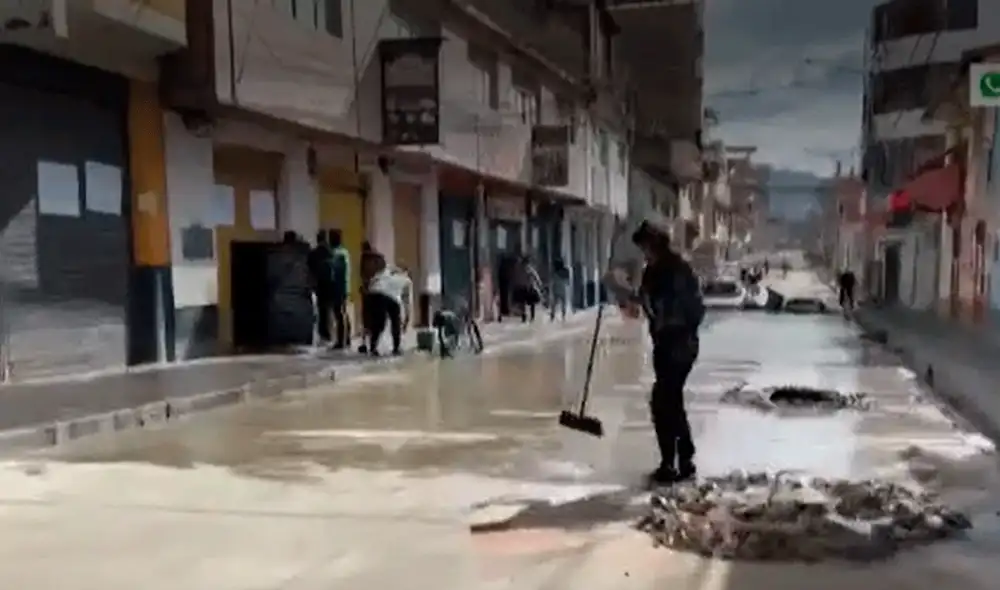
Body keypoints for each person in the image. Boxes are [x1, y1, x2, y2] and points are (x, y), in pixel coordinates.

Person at [608, 220, 704, 486]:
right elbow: (641, 308)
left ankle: (672, 463)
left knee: (663, 401)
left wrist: (668, 318)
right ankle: (682, 460)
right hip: (664, 344)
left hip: (680, 344)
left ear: (655, 244)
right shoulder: (653, 271)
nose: (643, 253)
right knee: (670, 401)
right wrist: (623, 294)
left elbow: (693, 309)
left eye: (645, 247)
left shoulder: (679, 269)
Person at [367, 264, 411, 356]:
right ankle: (396, 348)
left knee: (378, 323)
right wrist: (407, 318)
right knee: (396, 322)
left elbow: (372, 282)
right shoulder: (407, 280)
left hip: (374, 294)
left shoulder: (384, 271)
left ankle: (373, 347)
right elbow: (407, 301)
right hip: (391, 297)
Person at [307, 231, 335, 345]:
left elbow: (309, 267)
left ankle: (322, 333)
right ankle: (327, 333)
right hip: (330, 285)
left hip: (318, 284)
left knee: (320, 309)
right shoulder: (331, 252)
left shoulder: (314, 253)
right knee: (328, 310)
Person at [357, 241, 386, 354]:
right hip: (376, 292)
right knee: (373, 320)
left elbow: (364, 276)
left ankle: (367, 344)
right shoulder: (378, 258)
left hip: (370, 293)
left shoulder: (366, 258)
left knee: (368, 320)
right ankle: (370, 345)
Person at [328, 229, 352, 349]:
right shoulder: (343, 252)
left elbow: (335, 271)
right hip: (342, 287)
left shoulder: (338, 254)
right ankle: (346, 339)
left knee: (339, 314)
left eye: (331, 237)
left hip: (339, 288)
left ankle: (341, 341)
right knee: (343, 313)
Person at [513, 254, 542, 323]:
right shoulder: (529, 269)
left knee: (523, 303)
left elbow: (516, 278)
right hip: (528, 288)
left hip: (523, 288)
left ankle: (525, 316)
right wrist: (539, 284)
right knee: (530, 304)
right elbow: (536, 277)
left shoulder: (519, 269)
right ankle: (530, 317)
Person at [549, 257, 570, 322]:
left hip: (556, 289)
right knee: (563, 303)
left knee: (554, 304)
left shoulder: (554, 272)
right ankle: (563, 316)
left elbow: (552, 281)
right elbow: (567, 281)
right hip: (563, 289)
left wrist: (551, 289)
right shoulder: (565, 271)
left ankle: (552, 316)